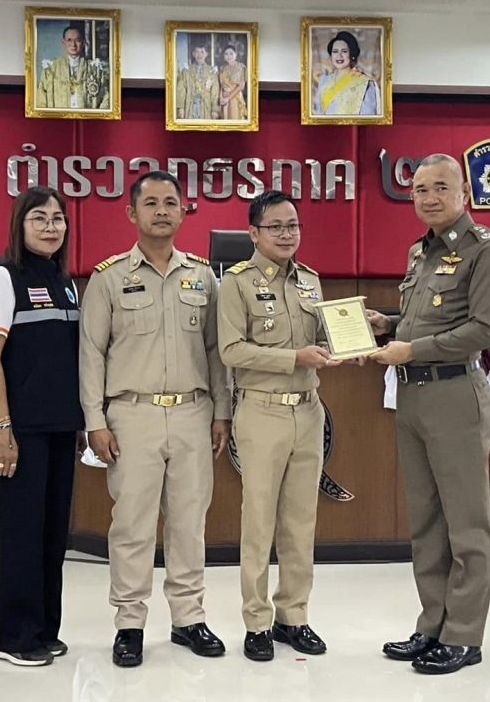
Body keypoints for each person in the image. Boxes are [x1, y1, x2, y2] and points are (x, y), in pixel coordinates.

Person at [79, 170, 231, 668]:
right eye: (151, 203)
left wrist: (222, 411)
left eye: (171, 202)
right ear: (132, 213)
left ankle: (188, 618)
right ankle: (130, 623)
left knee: (190, 522)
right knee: (132, 525)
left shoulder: (203, 277)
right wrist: (95, 420)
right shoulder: (108, 278)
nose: (162, 211)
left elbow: (215, 350)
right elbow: (91, 354)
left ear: (184, 211)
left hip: (193, 412)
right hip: (132, 415)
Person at [368, 153, 490, 675]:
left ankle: (464, 635)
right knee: (427, 522)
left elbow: (483, 331)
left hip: (454, 395)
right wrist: (388, 325)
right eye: (420, 189)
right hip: (412, 398)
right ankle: (433, 625)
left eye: (440, 188)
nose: (428, 198)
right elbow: (425, 319)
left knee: (466, 524)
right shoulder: (420, 251)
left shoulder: (485, 250)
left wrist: (412, 349)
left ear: (464, 193)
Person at [217, 190, 332, 662]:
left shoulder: (311, 281)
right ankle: (256, 622)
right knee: (259, 521)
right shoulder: (236, 283)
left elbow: (323, 338)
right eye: (276, 227)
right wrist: (294, 358)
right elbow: (232, 350)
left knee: (301, 522)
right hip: (262, 411)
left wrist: (356, 333)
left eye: (293, 226)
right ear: (254, 233)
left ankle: (294, 616)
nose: (287, 235)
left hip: (309, 409)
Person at [0, 185, 84, 667]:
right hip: (19, 432)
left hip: (59, 428)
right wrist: (2, 428)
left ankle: (41, 629)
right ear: (19, 226)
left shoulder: (66, 282)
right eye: (38, 218)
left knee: (51, 534)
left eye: (58, 218)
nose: (50, 227)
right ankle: (9, 636)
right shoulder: (4, 279)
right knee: (19, 534)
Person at [36, 22, 110, 110]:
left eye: (77, 40)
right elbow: (41, 101)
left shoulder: (95, 70)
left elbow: (106, 99)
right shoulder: (50, 70)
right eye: (69, 40)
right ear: (63, 43)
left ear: (83, 43)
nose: (73, 44)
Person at [313, 30, 380, 116]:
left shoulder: (364, 83)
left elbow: (368, 116)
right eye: (335, 51)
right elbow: (318, 114)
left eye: (344, 51)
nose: (339, 56)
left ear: (352, 54)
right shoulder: (323, 81)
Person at [176, 42, 219, 120]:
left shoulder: (212, 71)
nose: (199, 55)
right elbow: (181, 89)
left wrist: (215, 110)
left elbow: (215, 92)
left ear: (206, 54)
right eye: (197, 52)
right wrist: (181, 107)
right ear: (193, 54)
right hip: (190, 104)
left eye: (202, 52)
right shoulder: (186, 70)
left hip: (206, 105)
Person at [218, 45, 248, 121]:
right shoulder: (223, 68)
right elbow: (221, 84)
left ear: (236, 55)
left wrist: (228, 98)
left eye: (231, 53)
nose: (229, 56)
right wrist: (223, 95)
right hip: (225, 98)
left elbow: (241, 86)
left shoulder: (241, 67)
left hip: (235, 98)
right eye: (226, 54)